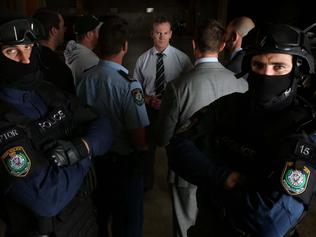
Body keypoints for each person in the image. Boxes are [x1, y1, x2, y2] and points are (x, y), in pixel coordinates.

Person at [166, 23, 316, 237]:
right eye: (258, 65)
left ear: (298, 71)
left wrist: (207, 176)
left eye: (278, 67)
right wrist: (225, 177)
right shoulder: (229, 106)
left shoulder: (306, 131)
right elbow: (177, 148)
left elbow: (269, 223)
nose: (266, 74)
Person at [0, 17, 113, 236]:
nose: (26, 60)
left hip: (85, 220)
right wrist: (87, 153)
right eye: (12, 52)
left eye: (28, 48)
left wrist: (79, 148)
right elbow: (48, 198)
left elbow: (104, 125)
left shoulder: (47, 91)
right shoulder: (4, 119)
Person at [155, 19, 248, 237]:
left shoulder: (177, 87)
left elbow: (162, 138)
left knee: (185, 228)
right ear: (223, 46)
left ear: (194, 45)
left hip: (187, 171)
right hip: (226, 173)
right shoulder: (242, 85)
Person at [77, 16, 149, 237]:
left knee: (98, 219)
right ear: (125, 46)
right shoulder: (129, 85)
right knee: (127, 223)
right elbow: (138, 139)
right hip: (123, 168)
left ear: (98, 46)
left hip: (93, 164)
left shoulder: (84, 79)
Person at [133, 16, 192, 192]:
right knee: (147, 150)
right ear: (151, 34)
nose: (161, 37)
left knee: (175, 149)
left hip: (173, 112)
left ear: (171, 34)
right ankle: (146, 184)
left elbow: (189, 87)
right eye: (158, 33)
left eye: (165, 33)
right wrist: (148, 99)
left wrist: (169, 101)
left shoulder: (182, 60)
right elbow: (135, 91)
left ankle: (176, 184)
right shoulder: (142, 60)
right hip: (150, 110)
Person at [32, 8, 76, 94]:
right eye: (62, 26)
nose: (64, 30)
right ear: (54, 31)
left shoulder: (25, 58)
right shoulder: (60, 68)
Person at [64, 14, 102, 87]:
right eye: (98, 31)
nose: (100, 34)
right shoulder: (91, 61)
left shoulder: (73, 51)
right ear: (89, 34)